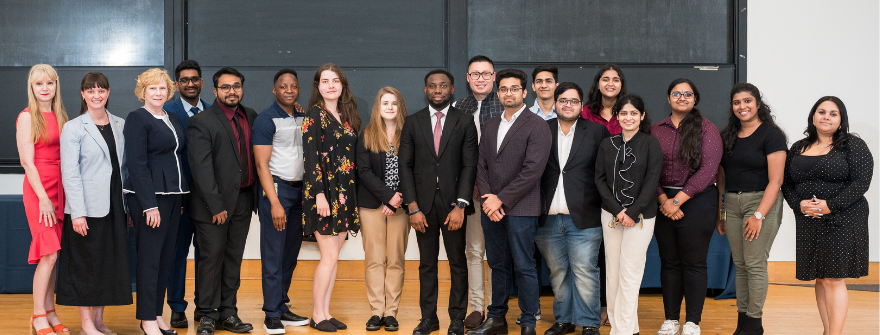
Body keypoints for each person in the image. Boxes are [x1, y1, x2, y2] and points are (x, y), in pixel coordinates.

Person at [469, 69, 551, 335]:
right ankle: (497, 319)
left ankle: (528, 322)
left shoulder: (537, 125)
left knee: (524, 266)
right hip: (491, 209)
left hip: (522, 208)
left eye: (514, 89)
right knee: (497, 264)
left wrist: (500, 199)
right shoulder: (490, 124)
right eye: (503, 89)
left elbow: (533, 171)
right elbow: (481, 165)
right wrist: (488, 199)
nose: (508, 93)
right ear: (498, 93)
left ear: (525, 92)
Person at [781, 96, 872, 335]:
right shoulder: (798, 147)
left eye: (833, 113)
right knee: (820, 277)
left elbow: (861, 182)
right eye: (821, 112)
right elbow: (786, 183)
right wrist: (799, 205)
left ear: (841, 119)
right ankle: (828, 330)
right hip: (809, 220)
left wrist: (830, 205)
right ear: (813, 116)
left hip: (844, 218)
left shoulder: (853, 145)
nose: (826, 117)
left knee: (833, 278)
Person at [399, 70, 478, 335]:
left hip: (453, 204)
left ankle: (457, 318)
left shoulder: (465, 121)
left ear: (452, 89)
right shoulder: (412, 122)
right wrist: (412, 207)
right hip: (422, 206)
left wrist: (461, 205)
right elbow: (405, 166)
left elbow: (469, 165)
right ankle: (428, 318)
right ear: (425, 90)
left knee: (457, 262)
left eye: (443, 86)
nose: (437, 90)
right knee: (427, 264)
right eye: (432, 86)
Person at [57, 72, 131, 335]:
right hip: (86, 209)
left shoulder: (120, 124)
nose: (96, 95)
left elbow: (125, 168)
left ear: (108, 93)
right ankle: (86, 323)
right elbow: (70, 173)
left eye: (101, 90)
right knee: (86, 265)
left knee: (107, 265)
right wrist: (77, 213)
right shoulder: (74, 127)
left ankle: (99, 321)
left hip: (116, 206)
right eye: (91, 91)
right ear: (83, 94)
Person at [535, 82, 610, 335]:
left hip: (585, 216)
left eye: (574, 101)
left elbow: (606, 173)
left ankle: (589, 323)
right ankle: (564, 320)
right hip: (547, 218)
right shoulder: (541, 130)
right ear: (555, 103)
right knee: (558, 273)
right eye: (563, 100)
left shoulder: (598, 132)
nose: (568, 105)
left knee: (585, 271)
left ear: (581, 105)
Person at [187, 67, 258, 335]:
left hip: (243, 200)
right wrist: (216, 206)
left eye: (236, 86)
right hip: (213, 206)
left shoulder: (250, 116)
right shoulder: (202, 121)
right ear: (215, 90)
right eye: (225, 87)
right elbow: (201, 168)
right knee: (211, 259)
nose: (232, 91)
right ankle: (206, 313)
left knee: (233, 259)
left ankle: (228, 312)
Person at [652, 78, 722, 335]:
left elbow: (708, 170)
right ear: (668, 98)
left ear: (695, 99)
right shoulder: (655, 129)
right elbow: (648, 169)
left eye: (687, 94)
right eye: (676, 93)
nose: (682, 97)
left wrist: (677, 201)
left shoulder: (707, 129)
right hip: (662, 201)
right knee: (669, 262)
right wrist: (664, 200)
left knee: (694, 263)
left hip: (698, 201)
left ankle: (692, 322)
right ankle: (671, 320)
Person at [716, 83, 787, 335]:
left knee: (755, 264)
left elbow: (776, 181)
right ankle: (743, 324)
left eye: (747, 101)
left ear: (758, 103)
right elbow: (722, 177)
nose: (742, 106)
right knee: (741, 264)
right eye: (737, 102)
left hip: (760, 203)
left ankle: (754, 325)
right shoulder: (728, 135)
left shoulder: (771, 134)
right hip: (732, 204)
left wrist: (759, 215)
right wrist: (721, 212)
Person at [123, 68, 188, 335]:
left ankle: (157, 314)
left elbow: (175, 157)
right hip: (149, 200)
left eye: (162, 88)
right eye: (152, 88)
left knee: (165, 258)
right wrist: (149, 205)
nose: (158, 93)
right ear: (143, 91)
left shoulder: (172, 117)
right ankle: (147, 318)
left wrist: (178, 198)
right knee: (150, 260)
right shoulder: (137, 118)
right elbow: (137, 164)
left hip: (173, 197)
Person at [595, 95, 662, 335]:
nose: (628, 117)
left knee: (630, 273)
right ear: (617, 116)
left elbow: (651, 182)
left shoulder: (651, 144)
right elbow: (600, 180)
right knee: (613, 273)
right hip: (611, 216)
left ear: (642, 116)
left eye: (634, 113)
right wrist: (618, 211)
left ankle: (621, 331)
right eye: (623, 113)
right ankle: (625, 328)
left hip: (641, 218)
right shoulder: (607, 144)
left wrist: (632, 212)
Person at [302, 63, 361, 332]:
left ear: (342, 85)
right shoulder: (314, 115)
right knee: (328, 257)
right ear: (318, 87)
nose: (330, 85)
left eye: (335, 80)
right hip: (323, 195)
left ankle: (326, 311)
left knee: (334, 256)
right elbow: (310, 158)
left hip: (345, 195)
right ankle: (317, 315)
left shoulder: (346, 116)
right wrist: (319, 195)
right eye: (325, 81)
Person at [253, 69, 310, 334]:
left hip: (300, 193)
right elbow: (261, 165)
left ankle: (281, 305)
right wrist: (275, 203)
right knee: (273, 255)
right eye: (283, 86)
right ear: (274, 90)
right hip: (277, 192)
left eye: (293, 86)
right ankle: (271, 314)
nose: (289, 90)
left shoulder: (302, 117)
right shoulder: (266, 120)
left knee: (290, 254)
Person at [451, 55, 505, 329]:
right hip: (470, 193)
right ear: (468, 78)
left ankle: (496, 308)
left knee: (497, 254)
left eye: (486, 74)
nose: (480, 78)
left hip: (500, 195)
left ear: (494, 77)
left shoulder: (505, 105)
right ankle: (476, 307)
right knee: (473, 251)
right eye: (475, 74)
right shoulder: (458, 108)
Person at [17, 64, 70, 335]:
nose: (45, 88)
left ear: (56, 85)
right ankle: (37, 315)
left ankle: (50, 312)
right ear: (32, 87)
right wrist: (43, 198)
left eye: (49, 83)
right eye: (39, 84)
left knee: (54, 254)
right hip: (39, 190)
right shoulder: (27, 116)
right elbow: (27, 162)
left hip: (60, 188)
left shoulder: (61, 115)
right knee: (47, 253)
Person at [357, 87, 410, 332]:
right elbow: (364, 171)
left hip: (401, 206)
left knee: (396, 259)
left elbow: (414, 169)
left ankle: (391, 313)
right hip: (372, 206)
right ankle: (376, 311)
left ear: (401, 107)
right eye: (385, 103)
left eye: (394, 103)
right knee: (375, 260)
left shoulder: (409, 134)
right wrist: (388, 197)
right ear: (378, 107)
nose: (390, 107)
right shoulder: (366, 134)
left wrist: (397, 198)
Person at [163, 60, 211, 329]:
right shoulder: (165, 111)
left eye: (194, 79)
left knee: (207, 255)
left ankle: (204, 307)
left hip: (206, 198)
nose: (190, 84)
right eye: (184, 80)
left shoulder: (213, 111)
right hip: (178, 197)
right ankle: (177, 308)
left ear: (201, 82)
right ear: (176, 84)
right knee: (176, 254)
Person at [581, 64, 628, 135]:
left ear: (621, 85)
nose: (610, 84)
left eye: (616, 80)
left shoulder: (629, 113)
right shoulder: (585, 113)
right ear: (598, 85)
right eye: (605, 80)